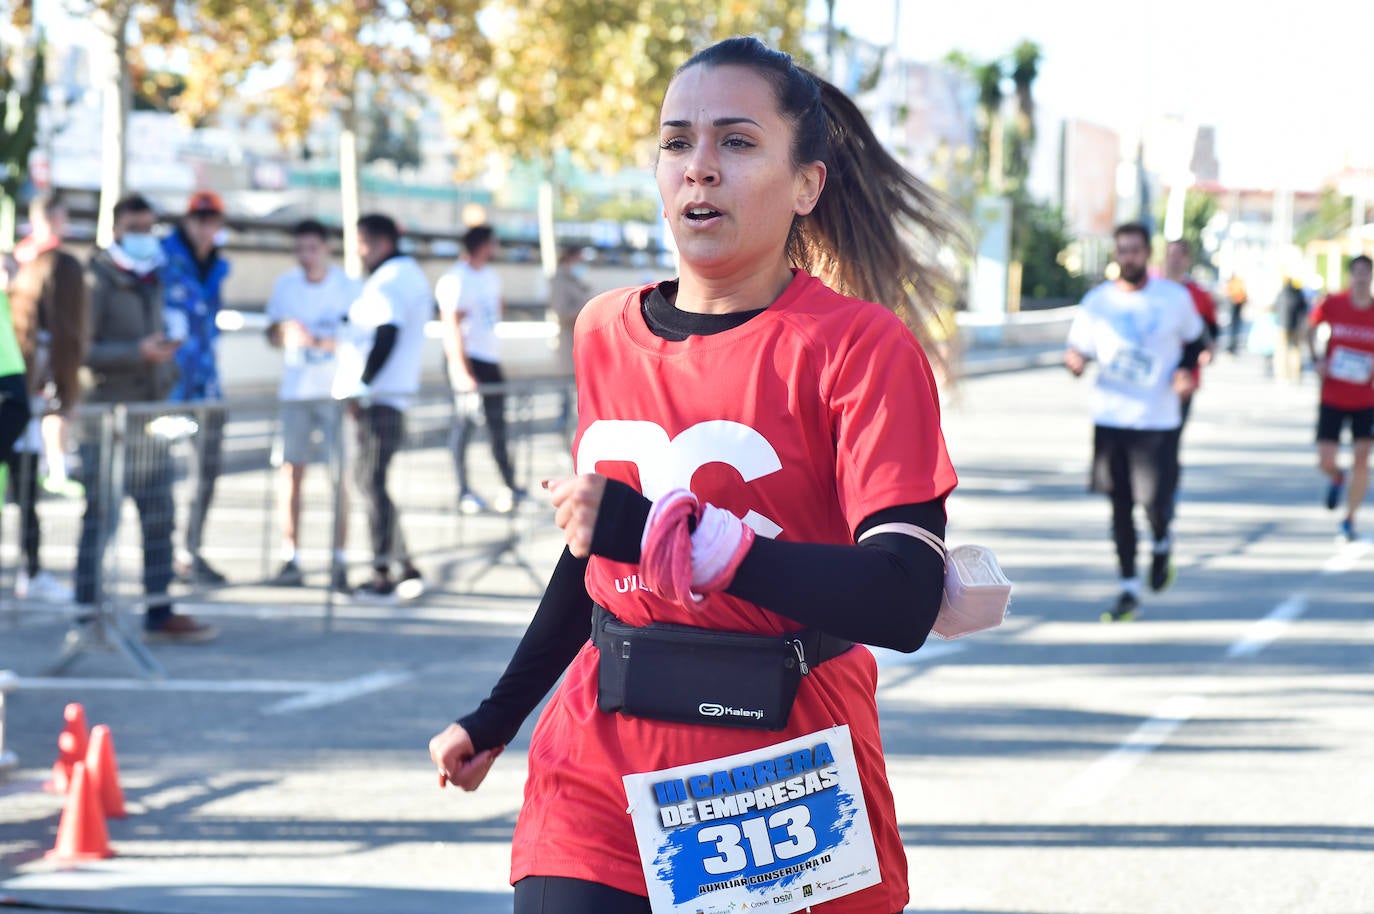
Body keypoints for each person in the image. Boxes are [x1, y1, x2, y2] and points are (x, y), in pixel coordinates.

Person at [429, 36, 961, 914]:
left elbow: (905, 596)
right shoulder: (603, 328)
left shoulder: (861, 348)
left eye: (737, 143)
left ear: (806, 186)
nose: (699, 169)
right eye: (677, 143)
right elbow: (598, 546)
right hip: (601, 759)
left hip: (784, 773)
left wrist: (687, 538)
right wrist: (497, 715)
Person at [77, 193, 216, 642]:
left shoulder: (153, 277)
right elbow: (80, 352)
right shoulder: (95, 280)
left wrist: (166, 359)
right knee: (100, 519)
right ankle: (87, 615)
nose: (143, 236)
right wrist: (135, 355)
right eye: (135, 228)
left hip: (150, 416)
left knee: (160, 514)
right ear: (115, 229)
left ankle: (159, 611)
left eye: (148, 227)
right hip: (107, 418)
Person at [1065, 223, 1205, 622]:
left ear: (1148, 254)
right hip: (1111, 418)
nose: (1129, 257)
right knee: (1119, 506)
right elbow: (1079, 350)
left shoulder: (1173, 298)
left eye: (1136, 250)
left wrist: (1184, 371)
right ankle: (1128, 587)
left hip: (1157, 419)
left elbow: (1197, 341)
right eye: (1122, 250)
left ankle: (1162, 542)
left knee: (1154, 503)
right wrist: (1075, 362)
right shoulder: (1097, 302)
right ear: (1116, 255)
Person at [332, 213, 429, 602]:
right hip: (390, 396)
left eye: (362, 242)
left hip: (381, 399)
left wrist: (362, 386)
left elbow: (386, 333)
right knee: (373, 483)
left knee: (369, 483)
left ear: (381, 243)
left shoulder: (389, 281)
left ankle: (383, 573)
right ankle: (404, 565)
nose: (357, 250)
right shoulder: (406, 276)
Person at [264, 219, 357, 590]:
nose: (305, 256)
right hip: (295, 393)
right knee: (291, 472)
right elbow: (271, 333)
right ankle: (291, 556)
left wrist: (317, 341)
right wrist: (283, 333)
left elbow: (355, 340)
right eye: (299, 249)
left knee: (340, 478)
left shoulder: (347, 288)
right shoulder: (285, 286)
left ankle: (339, 559)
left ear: (326, 249)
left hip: (336, 392)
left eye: (312, 248)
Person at [6, 193, 86, 601]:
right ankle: (32, 571)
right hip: (13, 400)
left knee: (24, 491)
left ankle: (32, 570)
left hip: (18, 402)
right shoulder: (26, 270)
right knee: (22, 491)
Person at [162, 189, 232, 585]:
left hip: (207, 388)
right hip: (168, 389)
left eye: (212, 220)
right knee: (155, 473)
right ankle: (161, 554)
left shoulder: (217, 266)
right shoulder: (164, 259)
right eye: (199, 218)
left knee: (206, 471)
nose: (205, 227)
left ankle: (191, 549)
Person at [436, 225, 523, 514]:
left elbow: (497, 308)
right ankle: (463, 490)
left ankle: (509, 484)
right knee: (464, 426)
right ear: (482, 245)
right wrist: (461, 370)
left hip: (489, 359)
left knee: (498, 425)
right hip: (467, 360)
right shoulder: (455, 280)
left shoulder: (489, 275)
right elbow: (451, 328)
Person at [1306, 254, 1374, 542]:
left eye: (1365, 273)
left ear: (1371, 277)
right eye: (1356, 272)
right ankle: (1336, 476)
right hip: (1333, 394)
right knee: (1325, 460)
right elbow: (1308, 329)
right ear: (1350, 276)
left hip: (1366, 398)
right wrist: (1316, 360)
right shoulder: (1333, 303)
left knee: (1362, 459)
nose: (1360, 278)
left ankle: (1349, 519)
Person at [1163, 239, 1217, 429]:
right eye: (1171, 255)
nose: (1174, 260)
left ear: (1188, 259)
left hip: (1185, 370)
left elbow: (1210, 327)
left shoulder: (1198, 294)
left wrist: (1208, 350)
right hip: (1155, 369)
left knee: (1174, 429)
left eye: (1180, 255)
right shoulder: (1153, 290)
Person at [548, 244, 591, 432]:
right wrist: (588, 311)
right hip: (569, 348)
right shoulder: (559, 281)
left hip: (584, 348)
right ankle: (563, 438)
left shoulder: (574, 280)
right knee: (566, 401)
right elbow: (561, 311)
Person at [1274, 276, 1309, 383]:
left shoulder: (1281, 293)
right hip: (1296, 325)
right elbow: (1304, 309)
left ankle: (1282, 374)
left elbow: (1276, 308)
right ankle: (1295, 374)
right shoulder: (1298, 294)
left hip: (1282, 325)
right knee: (1295, 350)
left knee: (1282, 350)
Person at [1225, 274, 1248, 354]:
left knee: (1234, 325)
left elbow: (1228, 292)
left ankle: (1232, 345)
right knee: (1235, 325)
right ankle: (1232, 344)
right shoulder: (1238, 282)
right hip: (1236, 303)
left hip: (1235, 303)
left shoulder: (1235, 282)